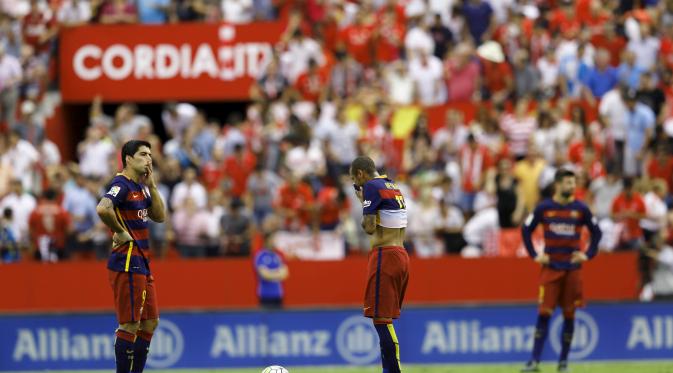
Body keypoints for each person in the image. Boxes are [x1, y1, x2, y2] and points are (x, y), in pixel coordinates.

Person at [520, 169, 602, 372]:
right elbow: (526, 228)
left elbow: (596, 232)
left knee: (569, 315)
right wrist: (534, 254)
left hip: (572, 270)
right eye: (568, 183)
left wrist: (588, 254)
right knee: (544, 314)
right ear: (557, 185)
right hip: (550, 269)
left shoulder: (581, 209)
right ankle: (535, 361)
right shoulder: (544, 208)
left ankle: (563, 362)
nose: (572, 187)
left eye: (574, 183)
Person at [96, 140, 166, 373]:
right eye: (143, 154)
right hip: (127, 261)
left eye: (150, 155)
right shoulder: (121, 184)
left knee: (150, 322)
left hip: (142, 262)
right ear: (128, 158)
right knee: (130, 324)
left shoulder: (141, 187)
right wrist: (120, 232)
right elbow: (103, 207)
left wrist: (153, 185)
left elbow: (159, 216)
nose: (149, 159)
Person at [350, 155, 409, 373]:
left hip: (385, 255)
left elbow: (369, 227)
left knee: (381, 319)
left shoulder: (372, 187)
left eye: (355, 181)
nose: (357, 187)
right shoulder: (391, 185)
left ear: (360, 174)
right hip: (400, 253)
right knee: (383, 318)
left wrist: (363, 203)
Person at [253, 215, 289, 309]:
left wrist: (271, 274)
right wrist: (277, 274)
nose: (275, 241)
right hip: (265, 295)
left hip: (278, 294)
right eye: (273, 239)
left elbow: (285, 273)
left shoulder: (278, 255)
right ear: (267, 240)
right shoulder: (260, 255)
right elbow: (264, 274)